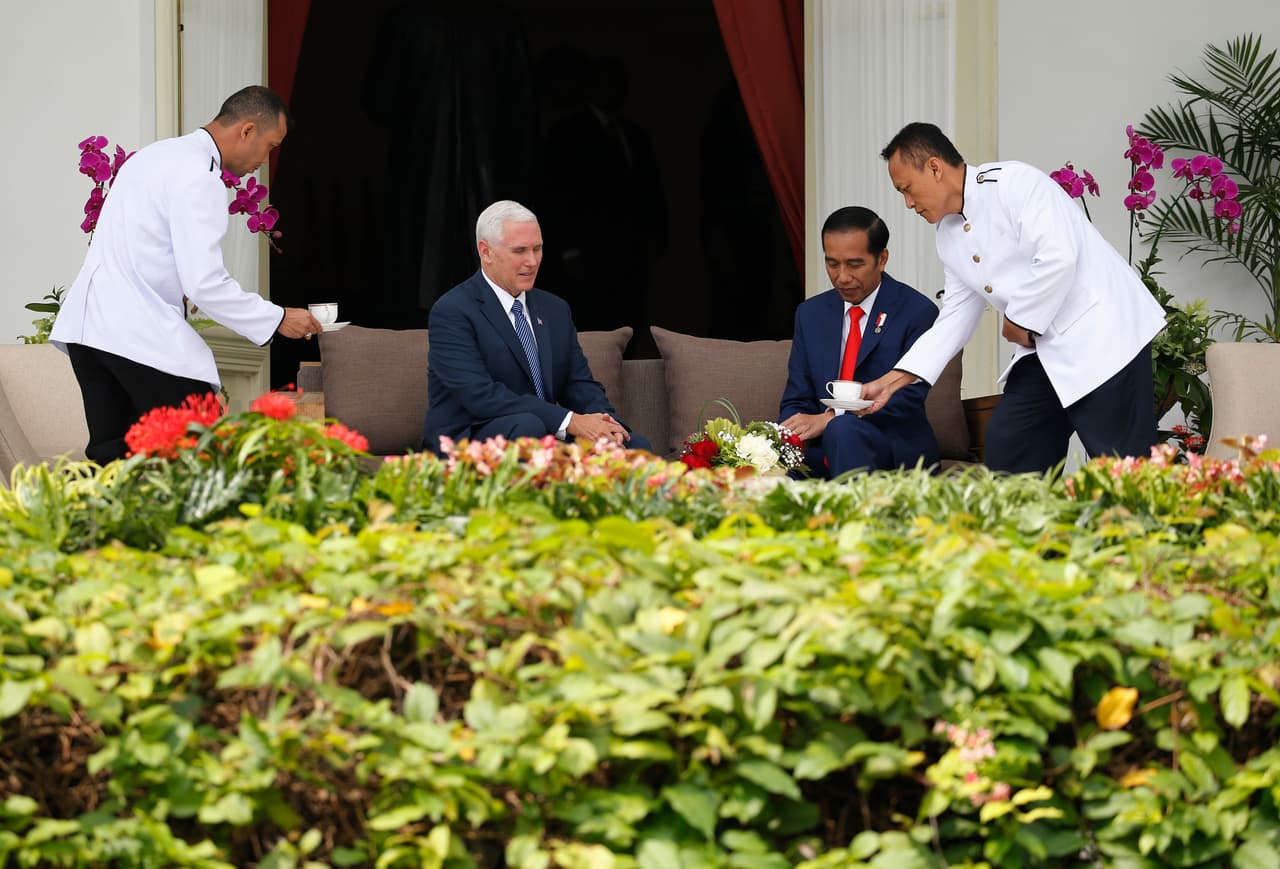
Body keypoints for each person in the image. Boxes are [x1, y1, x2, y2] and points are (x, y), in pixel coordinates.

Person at [861, 122, 1167, 473]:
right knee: (1010, 446)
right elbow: (955, 317)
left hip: (1104, 338)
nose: (908, 203)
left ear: (934, 167)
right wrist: (892, 380)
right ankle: (1025, 528)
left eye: (907, 189)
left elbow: (1058, 256)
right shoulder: (946, 236)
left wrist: (1019, 319)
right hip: (1045, 349)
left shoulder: (1013, 183)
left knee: (1125, 469)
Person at [51, 85, 321, 465]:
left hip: (89, 331)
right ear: (246, 131)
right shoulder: (199, 175)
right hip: (136, 335)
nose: (265, 160)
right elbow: (205, 282)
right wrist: (278, 318)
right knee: (202, 458)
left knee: (113, 464)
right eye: (270, 147)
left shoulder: (154, 156)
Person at [421, 200, 652, 453]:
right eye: (520, 251)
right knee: (528, 427)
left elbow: (578, 383)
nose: (532, 261)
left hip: (545, 434)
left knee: (634, 445)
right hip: (473, 438)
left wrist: (605, 423)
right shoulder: (453, 310)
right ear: (486, 252)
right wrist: (570, 421)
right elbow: (481, 396)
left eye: (537, 249)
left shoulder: (555, 309)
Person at [779, 206, 939, 476]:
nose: (842, 277)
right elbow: (797, 396)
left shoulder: (917, 311)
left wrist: (830, 419)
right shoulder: (810, 314)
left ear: (882, 258)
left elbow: (905, 399)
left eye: (855, 264)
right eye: (832, 264)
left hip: (891, 447)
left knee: (842, 430)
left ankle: (854, 517)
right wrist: (792, 432)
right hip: (824, 450)